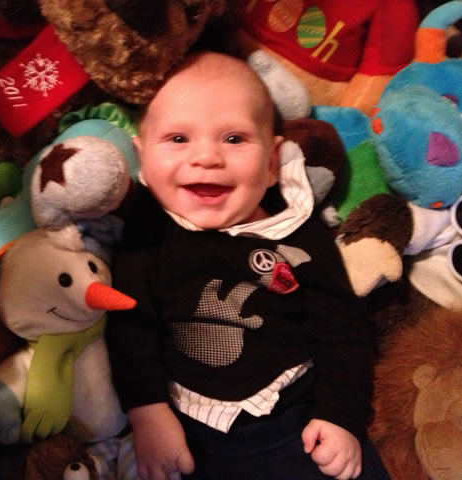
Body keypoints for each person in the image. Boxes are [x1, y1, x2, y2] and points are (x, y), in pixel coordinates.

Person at [105, 51, 388, 480]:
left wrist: (339, 417)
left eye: (234, 139)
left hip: (297, 419)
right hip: (185, 426)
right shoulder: (147, 231)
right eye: (178, 138)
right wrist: (147, 412)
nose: (206, 157)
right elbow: (130, 327)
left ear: (273, 162)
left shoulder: (297, 229)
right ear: (142, 157)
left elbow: (343, 328)